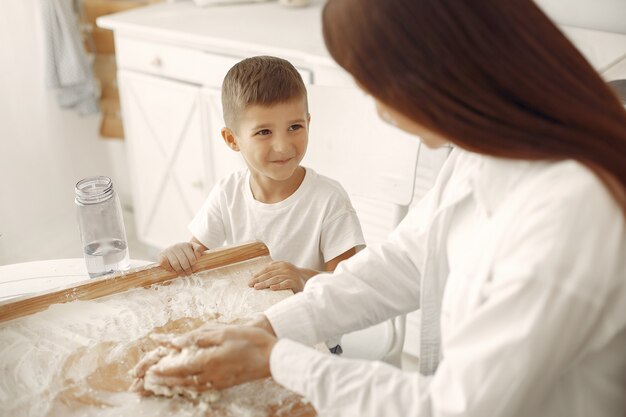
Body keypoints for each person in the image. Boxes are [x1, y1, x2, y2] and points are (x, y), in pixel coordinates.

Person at [134, 1, 626, 416]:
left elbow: (454, 407)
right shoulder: (483, 151)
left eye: (377, 88)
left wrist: (278, 359)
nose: (381, 113)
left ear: (440, 72)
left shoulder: (573, 211)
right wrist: (267, 327)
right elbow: (406, 260)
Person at [158, 56, 365, 352]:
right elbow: (195, 258)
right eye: (264, 132)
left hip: (310, 343)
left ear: (308, 122)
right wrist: (179, 253)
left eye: (294, 126)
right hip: (249, 334)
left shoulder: (329, 201)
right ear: (233, 139)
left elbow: (349, 287)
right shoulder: (227, 193)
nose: (283, 145)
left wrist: (301, 276)